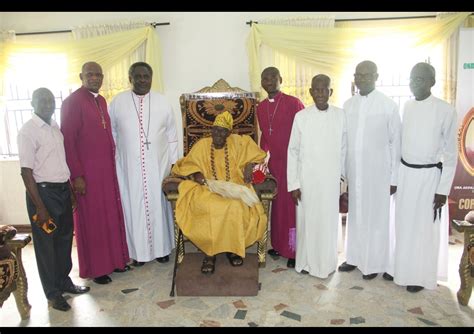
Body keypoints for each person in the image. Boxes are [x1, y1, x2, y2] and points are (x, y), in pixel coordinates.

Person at [18, 88, 90, 312]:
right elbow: (26, 173)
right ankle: (53, 293)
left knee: (64, 239)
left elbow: (60, 164)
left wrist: (69, 191)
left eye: (51, 100)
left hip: (61, 191)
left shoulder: (54, 127)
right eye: (42, 100)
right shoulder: (28, 131)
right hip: (43, 195)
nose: (48, 104)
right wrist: (41, 208)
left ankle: (64, 282)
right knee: (47, 246)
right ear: (33, 102)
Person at [171, 111, 267, 274]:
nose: (218, 134)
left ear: (229, 133)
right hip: (206, 188)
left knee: (236, 206)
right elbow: (187, 164)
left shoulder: (238, 142)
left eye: (222, 131)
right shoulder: (202, 144)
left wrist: (250, 164)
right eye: (215, 130)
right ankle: (210, 254)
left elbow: (258, 155)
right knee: (210, 206)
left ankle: (232, 250)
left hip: (233, 187)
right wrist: (196, 173)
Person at [61, 62, 130, 285]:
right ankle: (97, 268)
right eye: (90, 74)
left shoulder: (100, 100)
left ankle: (115, 262)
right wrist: (77, 176)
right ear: (81, 76)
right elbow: (68, 142)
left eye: (99, 74)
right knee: (93, 221)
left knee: (109, 216)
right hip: (87, 175)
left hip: (106, 172)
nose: (95, 78)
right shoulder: (72, 102)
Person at [393, 63, 457, 293]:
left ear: (432, 82)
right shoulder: (407, 107)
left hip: (430, 178)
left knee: (423, 228)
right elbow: (400, 145)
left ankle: (420, 276)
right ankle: (402, 270)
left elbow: (451, 154)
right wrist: (396, 178)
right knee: (403, 224)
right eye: (411, 79)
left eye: (419, 79)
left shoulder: (445, 110)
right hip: (406, 174)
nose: (414, 83)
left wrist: (443, 189)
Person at [109, 62, 178, 266]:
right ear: (130, 78)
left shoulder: (163, 102)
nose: (141, 80)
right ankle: (137, 253)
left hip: (158, 165)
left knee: (158, 205)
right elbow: (112, 134)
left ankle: (162, 249)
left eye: (145, 76)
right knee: (134, 206)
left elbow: (172, 135)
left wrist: (174, 164)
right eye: (137, 76)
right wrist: (116, 162)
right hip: (129, 167)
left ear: (151, 77)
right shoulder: (117, 102)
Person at [339, 60, 401, 280]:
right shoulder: (348, 105)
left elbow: (396, 143)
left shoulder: (388, 105)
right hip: (355, 172)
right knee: (356, 215)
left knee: (376, 218)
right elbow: (344, 141)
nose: (362, 79)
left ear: (376, 76)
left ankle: (374, 263)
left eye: (367, 75)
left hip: (379, 173)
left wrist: (394, 177)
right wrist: (342, 171)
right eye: (358, 75)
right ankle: (353, 258)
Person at [287, 74, 347, 278]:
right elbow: (293, 151)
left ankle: (327, 264)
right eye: (316, 90)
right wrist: (294, 184)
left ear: (331, 92)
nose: (320, 93)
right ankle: (305, 262)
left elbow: (344, 150)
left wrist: (343, 182)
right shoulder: (301, 117)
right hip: (307, 180)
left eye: (325, 89)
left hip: (330, 180)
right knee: (306, 222)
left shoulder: (341, 116)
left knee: (328, 223)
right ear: (310, 91)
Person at [256, 66, 305, 268]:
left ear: (280, 79)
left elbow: (304, 133)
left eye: (272, 77)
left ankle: (294, 250)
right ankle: (277, 245)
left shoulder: (294, 103)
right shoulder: (260, 107)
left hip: (293, 162)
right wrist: (262, 161)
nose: (268, 81)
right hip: (275, 163)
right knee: (277, 207)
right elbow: (265, 137)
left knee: (292, 208)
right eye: (264, 78)